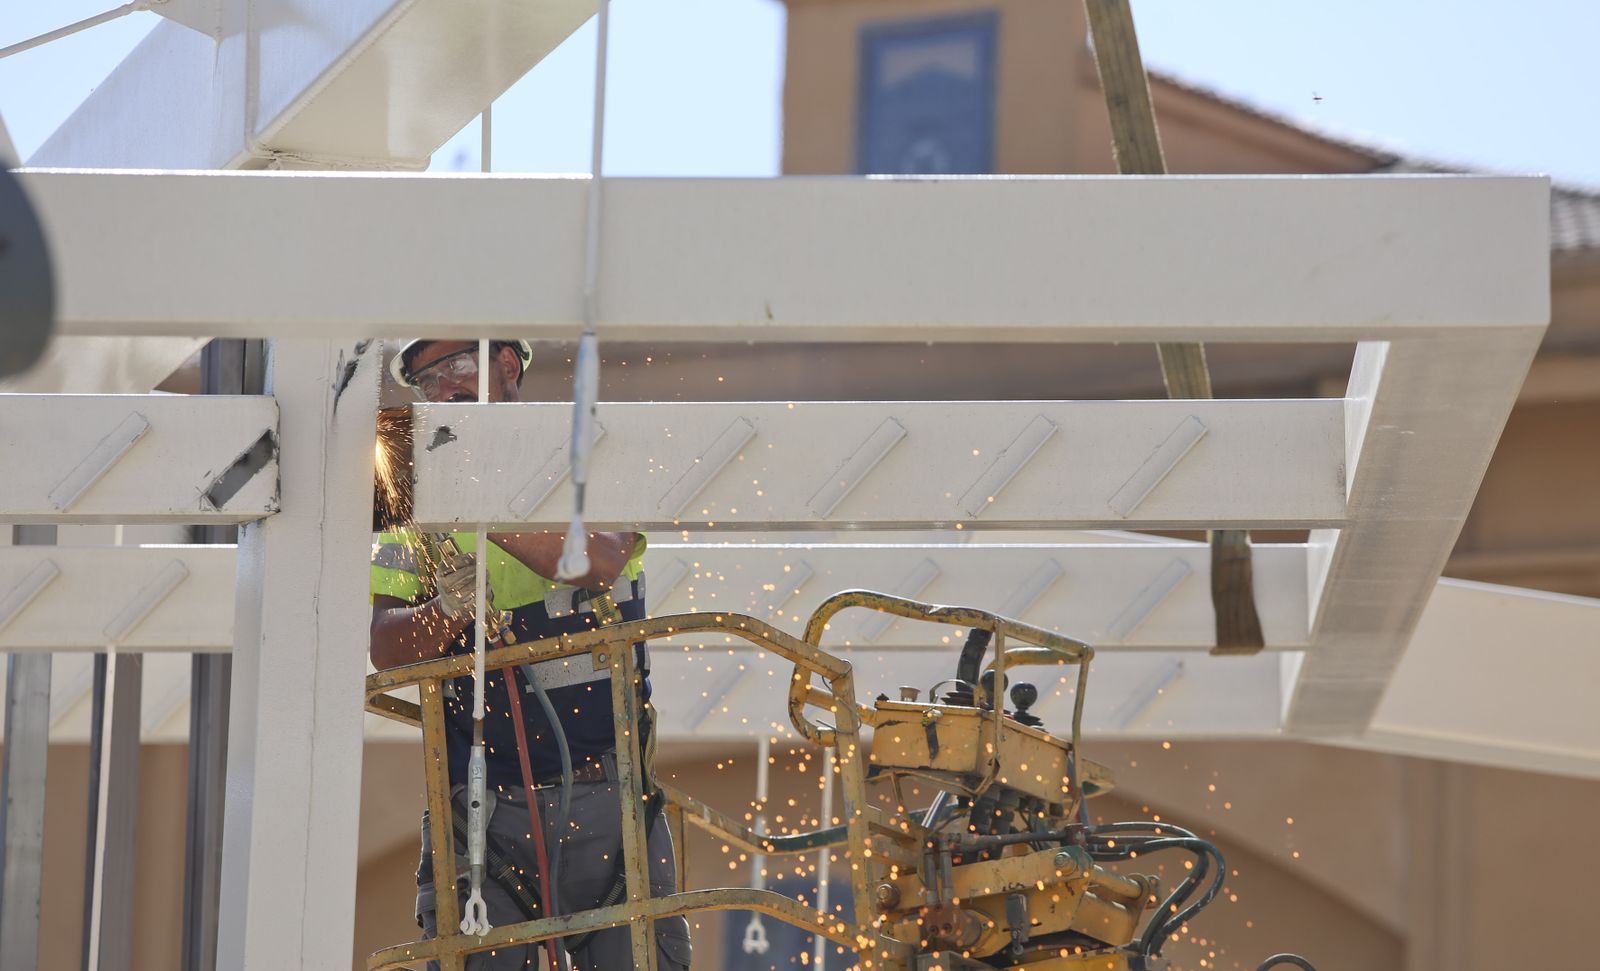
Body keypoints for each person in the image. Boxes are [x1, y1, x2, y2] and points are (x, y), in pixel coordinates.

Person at [370, 339, 692, 970]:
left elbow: (598, 560)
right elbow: (386, 648)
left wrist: (474, 497)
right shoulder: (410, 497)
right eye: (425, 382)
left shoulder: (588, 453)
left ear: (508, 366)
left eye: (454, 372)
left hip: (614, 805)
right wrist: (446, 610)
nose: (439, 393)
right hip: (484, 816)